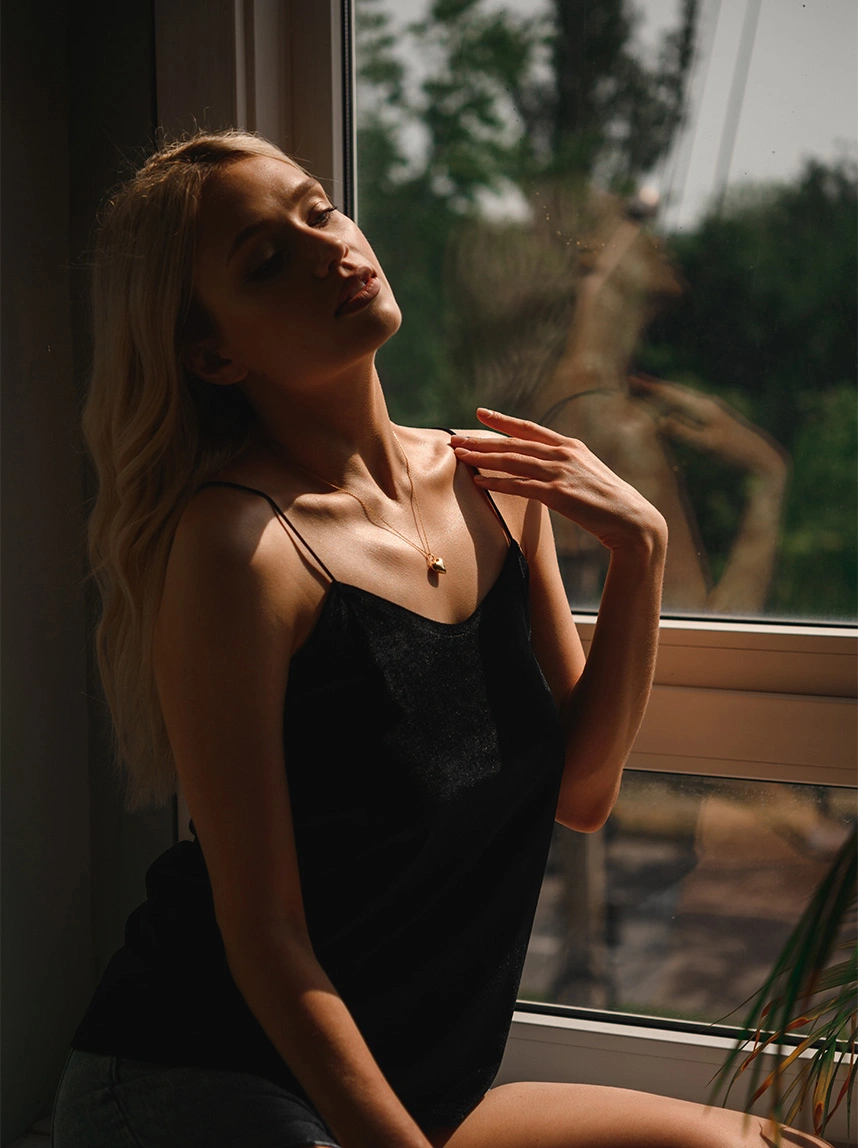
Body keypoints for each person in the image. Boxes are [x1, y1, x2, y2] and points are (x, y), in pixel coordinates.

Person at [51, 130, 831, 1148]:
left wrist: (640, 548)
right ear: (215, 353)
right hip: (205, 1074)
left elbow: (583, 790)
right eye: (268, 260)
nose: (330, 248)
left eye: (321, 210)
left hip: (425, 1084)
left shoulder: (495, 484)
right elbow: (266, 935)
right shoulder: (238, 547)